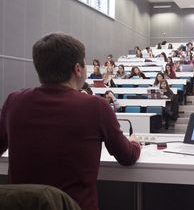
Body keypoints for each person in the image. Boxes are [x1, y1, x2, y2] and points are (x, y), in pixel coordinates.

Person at [0, 33, 141, 210]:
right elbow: (127, 157)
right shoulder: (96, 106)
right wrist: (135, 143)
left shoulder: (13, 101)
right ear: (78, 69)